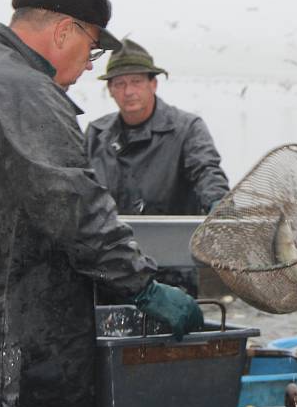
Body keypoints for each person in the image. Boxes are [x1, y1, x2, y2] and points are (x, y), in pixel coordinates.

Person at [0, 0, 203, 407]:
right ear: (64, 30)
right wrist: (142, 284)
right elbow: (74, 204)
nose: (92, 66)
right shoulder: (25, 91)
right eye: (91, 48)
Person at [84, 39, 230, 296]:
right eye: (120, 83)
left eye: (137, 81)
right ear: (110, 90)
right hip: (112, 268)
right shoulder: (96, 134)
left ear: (154, 83)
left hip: (173, 270)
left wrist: (219, 203)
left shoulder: (187, 128)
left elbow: (206, 169)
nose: (129, 91)